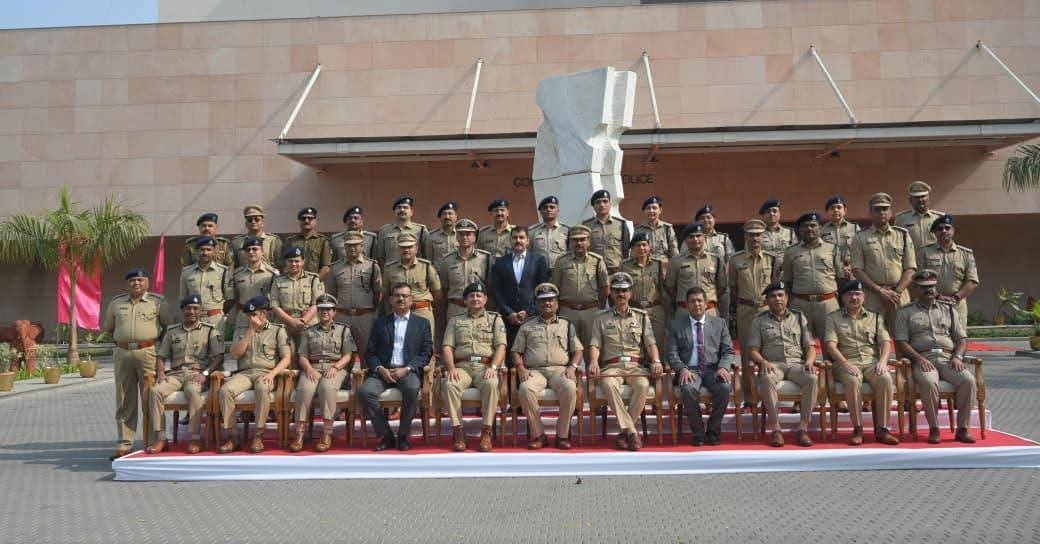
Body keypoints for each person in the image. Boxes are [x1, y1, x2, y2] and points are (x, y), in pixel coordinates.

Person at [895, 269, 976, 444]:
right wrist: (918, 359)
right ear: (916, 289)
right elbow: (901, 342)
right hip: (923, 358)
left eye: (931, 286)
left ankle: (963, 429)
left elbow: (961, 339)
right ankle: (934, 428)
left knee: (968, 380)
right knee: (929, 382)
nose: (929, 290)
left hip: (948, 359)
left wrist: (958, 357)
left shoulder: (949, 309)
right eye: (924, 287)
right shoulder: (905, 312)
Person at [587, 272, 663, 451]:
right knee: (608, 384)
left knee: (643, 385)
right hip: (612, 366)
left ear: (630, 293)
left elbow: (650, 342)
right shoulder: (601, 318)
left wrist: (656, 360)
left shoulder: (641, 316)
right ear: (611, 294)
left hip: (635, 366)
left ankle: (624, 433)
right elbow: (595, 344)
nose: (621, 294)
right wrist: (593, 361)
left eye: (624, 290)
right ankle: (632, 432)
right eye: (617, 291)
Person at [102, 268, 171, 460]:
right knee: (124, 399)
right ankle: (124, 443)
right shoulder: (116, 303)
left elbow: (168, 328)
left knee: (151, 396)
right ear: (127, 284)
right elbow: (109, 328)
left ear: (147, 282)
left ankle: (153, 440)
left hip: (148, 352)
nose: (136, 283)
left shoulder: (158, 302)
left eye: (140, 280)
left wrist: (159, 351)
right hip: (123, 353)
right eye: (132, 280)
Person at [823, 280, 900, 446]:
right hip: (845, 363)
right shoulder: (833, 318)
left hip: (871, 362)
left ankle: (882, 429)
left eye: (857, 294)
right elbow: (830, 345)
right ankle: (858, 428)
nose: (854, 298)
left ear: (864, 297)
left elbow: (885, 342)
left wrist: (883, 361)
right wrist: (845, 363)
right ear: (842, 298)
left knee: (885, 378)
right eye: (849, 294)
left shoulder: (875, 317)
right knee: (852, 380)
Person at [146, 294, 224, 454]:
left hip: (197, 374)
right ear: (182, 310)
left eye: (195, 308)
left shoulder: (209, 330)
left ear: (200, 310)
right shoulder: (172, 331)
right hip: (175, 374)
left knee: (192, 392)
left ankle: (194, 438)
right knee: (155, 391)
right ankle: (161, 438)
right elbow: (161, 356)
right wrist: (160, 373)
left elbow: (219, 356)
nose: (192, 312)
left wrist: (206, 373)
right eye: (188, 308)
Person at [361, 283, 434, 452]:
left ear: (411, 300)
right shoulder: (380, 323)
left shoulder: (422, 323)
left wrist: (407, 369)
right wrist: (380, 369)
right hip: (383, 371)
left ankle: (403, 435)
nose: (401, 299)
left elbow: (426, 353)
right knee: (366, 392)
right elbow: (370, 352)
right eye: (397, 296)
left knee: (412, 388)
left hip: (407, 371)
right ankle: (386, 435)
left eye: (405, 296)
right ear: (390, 299)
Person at [511, 282, 583, 450]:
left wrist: (572, 367)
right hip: (535, 371)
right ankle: (539, 434)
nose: (547, 303)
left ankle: (562, 435)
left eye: (551, 300)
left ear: (557, 303)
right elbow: (515, 351)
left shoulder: (567, 325)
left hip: (560, 370)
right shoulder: (527, 326)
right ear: (537, 304)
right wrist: (521, 368)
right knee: (525, 388)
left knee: (570, 387)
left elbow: (578, 350)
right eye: (543, 300)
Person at [746, 281, 817, 448]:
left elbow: (810, 347)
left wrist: (809, 361)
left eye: (780, 295)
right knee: (766, 378)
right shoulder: (759, 320)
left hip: (796, 364)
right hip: (773, 364)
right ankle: (776, 429)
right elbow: (753, 350)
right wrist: (762, 362)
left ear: (787, 298)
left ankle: (803, 428)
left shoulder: (799, 317)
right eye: (773, 296)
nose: (777, 299)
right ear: (767, 301)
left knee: (812, 378)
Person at [218, 295, 291, 454]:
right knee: (225, 390)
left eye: (254, 314)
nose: (251, 318)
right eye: (249, 315)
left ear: (264, 314)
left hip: (266, 372)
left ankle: (258, 436)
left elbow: (287, 358)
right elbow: (235, 354)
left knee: (262, 388)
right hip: (244, 373)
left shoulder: (277, 330)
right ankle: (232, 436)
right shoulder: (241, 330)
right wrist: (250, 331)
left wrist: (273, 374)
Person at [666, 287, 737, 446]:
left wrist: (723, 367)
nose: (696, 304)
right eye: (692, 301)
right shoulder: (677, 325)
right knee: (688, 389)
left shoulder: (719, 323)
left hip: (713, 369)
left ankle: (713, 430)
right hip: (690, 369)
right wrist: (681, 369)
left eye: (699, 301)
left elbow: (728, 350)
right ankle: (698, 432)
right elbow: (671, 353)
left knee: (725, 387)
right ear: (686, 305)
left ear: (706, 304)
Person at [441, 282, 507, 452]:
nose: (475, 298)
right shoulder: (456, 320)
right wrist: (451, 368)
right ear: (465, 300)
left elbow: (501, 346)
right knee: (449, 384)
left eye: (479, 295)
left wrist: (494, 367)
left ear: (485, 299)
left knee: (492, 383)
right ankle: (458, 432)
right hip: (462, 367)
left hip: (485, 367)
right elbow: (447, 347)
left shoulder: (495, 319)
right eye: (471, 296)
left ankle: (486, 432)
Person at [288, 294, 356, 453]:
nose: (325, 312)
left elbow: (348, 355)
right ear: (317, 312)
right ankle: (299, 433)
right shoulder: (308, 331)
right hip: (313, 367)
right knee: (304, 389)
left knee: (327, 387)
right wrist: (309, 369)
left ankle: (327, 433)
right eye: (321, 309)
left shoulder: (343, 330)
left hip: (335, 368)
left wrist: (336, 368)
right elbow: (302, 355)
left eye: (328, 309)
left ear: (334, 312)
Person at [727, 219, 779, 405]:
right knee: (747, 353)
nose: (755, 238)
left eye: (758, 235)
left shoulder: (772, 259)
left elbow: (775, 286)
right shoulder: (736, 260)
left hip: (766, 309)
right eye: (751, 235)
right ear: (745, 236)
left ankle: (768, 392)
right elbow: (733, 287)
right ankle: (749, 395)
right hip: (746, 310)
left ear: (764, 236)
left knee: (769, 350)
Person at [851, 192, 916, 336]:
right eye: (877, 209)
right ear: (870, 212)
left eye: (885, 208)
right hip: (873, 296)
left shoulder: (903, 235)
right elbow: (857, 270)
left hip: (899, 296)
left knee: (902, 337)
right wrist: (880, 291)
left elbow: (910, 268)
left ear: (891, 211)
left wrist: (896, 292)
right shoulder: (860, 237)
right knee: (872, 337)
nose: (881, 212)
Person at [783, 211, 842, 339]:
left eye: (813, 225)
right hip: (801, 304)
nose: (809, 228)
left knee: (830, 342)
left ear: (820, 228)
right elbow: (787, 280)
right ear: (799, 230)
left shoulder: (832, 249)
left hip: (828, 303)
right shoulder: (790, 252)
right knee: (802, 343)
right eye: (805, 226)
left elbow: (840, 276)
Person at [325, 231, 382, 361]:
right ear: (344, 247)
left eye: (355, 245)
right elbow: (331, 294)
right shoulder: (335, 268)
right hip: (342, 316)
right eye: (349, 245)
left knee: (367, 354)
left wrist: (371, 311)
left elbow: (378, 292)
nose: (352, 248)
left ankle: (366, 374)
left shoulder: (372, 266)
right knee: (340, 352)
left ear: (362, 246)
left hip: (364, 317)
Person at [917, 214, 979, 331]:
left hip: (957, 304)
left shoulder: (965, 254)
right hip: (932, 303)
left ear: (953, 230)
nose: (944, 231)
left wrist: (956, 297)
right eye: (939, 229)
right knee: (935, 337)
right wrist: (937, 296)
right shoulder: (924, 253)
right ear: (934, 233)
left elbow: (972, 281)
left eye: (947, 228)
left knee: (959, 337)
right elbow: (920, 278)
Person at [552, 224, 609, 349]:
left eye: (582, 239)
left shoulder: (597, 260)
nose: (579, 243)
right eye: (575, 240)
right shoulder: (561, 261)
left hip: (591, 311)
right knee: (566, 347)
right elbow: (555, 288)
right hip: (568, 311)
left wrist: (599, 305)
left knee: (592, 347)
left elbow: (605, 287)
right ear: (570, 242)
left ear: (589, 241)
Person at [491, 226, 549, 346]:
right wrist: (509, 313)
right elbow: (496, 291)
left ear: (528, 241)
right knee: (509, 349)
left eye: (521, 237)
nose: (518, 240)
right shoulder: (500, 262)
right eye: (514, 238)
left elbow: (542, 289)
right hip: (508, 319)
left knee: (533, 349)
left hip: (533, 316)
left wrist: (528, 311)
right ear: (510, 241)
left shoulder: (538, 260)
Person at [438, 218, 492, 337]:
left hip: (479, 309)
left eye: (468, 234)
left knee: (479, 340)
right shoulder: (447, 260)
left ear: (474, 237)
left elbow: (490, 286)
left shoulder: (485, 258)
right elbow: (444, 288)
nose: (464, 237)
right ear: (456, 237)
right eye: (461, 234)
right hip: (455, 308)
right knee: (455, 341)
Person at [665, 223, 727, 320]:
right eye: (691, 237)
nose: (695, 239)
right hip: (685, 311)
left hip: (709, 311)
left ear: (704, 237)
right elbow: (670, 287)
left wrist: (707, 301)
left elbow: (722, 287)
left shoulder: (715, 260)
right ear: (685, 240)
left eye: (698, 236)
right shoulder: (676, 261)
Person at [382, 233, 441, 333]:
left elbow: (437, 292)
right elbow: (386, 293)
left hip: (422, 312)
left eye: (410, 247)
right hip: (399, 313)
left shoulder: (426, 266)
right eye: (403, 247)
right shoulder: (389, 268)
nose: (406, 250)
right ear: (398, 249)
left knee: (425, 342)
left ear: (416, 248)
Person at [620, 232, 668, 351]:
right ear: (633, 248)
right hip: (634, 309)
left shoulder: (658, 264)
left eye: (644, 245)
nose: (642, 248)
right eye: (638, 245)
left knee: (658, 344)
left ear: (649, 247)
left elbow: (663, 288)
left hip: (655, 309)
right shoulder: (625, 266)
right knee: (635, 345)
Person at [269, 246, 324, 349]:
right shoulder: (278, 281)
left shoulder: (313, 279)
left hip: (308, 325)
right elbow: (274, 305)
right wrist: (291, 322)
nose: (294, 264)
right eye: (290, 261)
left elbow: (317, 304)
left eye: (297, 261)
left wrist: (303, 321)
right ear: (286, 262)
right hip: (284, 325)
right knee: (287, 354)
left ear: (303, 262)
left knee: (307, 354)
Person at [178, 236, 232, 332]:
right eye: (202, 250)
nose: (205, 253)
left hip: (216, 320)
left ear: (214, 252)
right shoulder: (186, 272)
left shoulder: (223, 271)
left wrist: (223, 314)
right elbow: (183, 299)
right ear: (197, 252)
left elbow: (229, 299)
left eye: (208, 249)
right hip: (194, 320)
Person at [228, 236, 279, 330]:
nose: (251, 252)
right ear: (245, 253)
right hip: (243, 319)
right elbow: (233, 299)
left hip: (264, 317)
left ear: (262, 251)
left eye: (255, 249)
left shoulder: (272, 274)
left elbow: (276, 299)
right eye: (248, 250)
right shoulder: (237, 274)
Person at [583, 189, 631, 273]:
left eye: (605, 201)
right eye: (598, 202)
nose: (602, 205)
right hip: (594, 271)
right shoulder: (586, 226)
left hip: (617, 271)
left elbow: (626, 250)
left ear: (610, 204)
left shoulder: (621, 224)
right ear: (593, 206)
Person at [373, 196, 430, 264]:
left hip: (415, 270)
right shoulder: (384, 231)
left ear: (411, 212)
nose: (402, 210)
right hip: (391, 270)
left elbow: (428, 256)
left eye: (405, 207)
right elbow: (380, 257)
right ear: (395, 211)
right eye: (399, 207)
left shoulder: (421, 230)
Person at [284, 207, 333, 280]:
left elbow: (326, 267)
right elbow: (285, 265)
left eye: (310, 218)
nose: (306, 221)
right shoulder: (290, 241)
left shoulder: (323, 241)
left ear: (315, 221)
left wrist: (313, 282)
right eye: (303, 218)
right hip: (294, 282)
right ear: (299, 221)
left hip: (315, 282)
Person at [895, 180, 946, 250]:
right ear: (910, 200)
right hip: (912, 256)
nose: (920, 200)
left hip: (934, 256)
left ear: (928, 198)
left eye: (923, 196)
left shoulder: (939, 218)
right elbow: (897, 243)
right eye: (916, 197)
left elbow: (946, 241)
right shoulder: (901, 219)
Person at [820, 195, 860, 280]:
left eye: (839, 207)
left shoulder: (854, 228)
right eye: (832, 208)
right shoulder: (822, 231)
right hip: (830, 274)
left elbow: (860, 251)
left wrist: (852, 266)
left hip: (852, 273)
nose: (836, 210)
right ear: (827, 212)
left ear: (845, 210)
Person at [231, 205, 282, 269]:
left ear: (263, 223)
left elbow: (281, 265)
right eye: (250, 220)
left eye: (257, 219)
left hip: (267, 274)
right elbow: (233, 265)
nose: (253, 222)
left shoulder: (273, 241)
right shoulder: (237, 242)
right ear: (246, 224)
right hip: (243, 274)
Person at [528, 195, 570, 269]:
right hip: (540, 271)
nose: (548, 209)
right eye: (545, 207)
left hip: (561, 270)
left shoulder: (566, 230)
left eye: (552, 207)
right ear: (540, 212)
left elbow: (571, 252)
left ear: (558, 210)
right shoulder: (532, 231)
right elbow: (528, 253)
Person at [634, 195, 678, 261]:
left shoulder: (667, 228)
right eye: (648, 208)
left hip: (663, 265)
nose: (651, 211)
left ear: (660, 210)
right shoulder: (638, 230)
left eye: (654, 208)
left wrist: (675, 264)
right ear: (644, 211)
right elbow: (634, 252)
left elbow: (674, 251)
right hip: (646, 264)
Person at [759, 198, 797, 263]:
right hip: (764, 268)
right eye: (768, 212)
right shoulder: (757, 234)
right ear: (763, 216)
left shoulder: (790, 232)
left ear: (779, 214)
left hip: (785, 268)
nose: (772, 214)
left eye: (775, 211)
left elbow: (796, 253)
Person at [426, 201, 460, 266]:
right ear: (440, 217)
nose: (447, 217)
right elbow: (429, 260)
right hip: (438, 272)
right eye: (444, 214)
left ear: (456, 216)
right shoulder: (432, 236)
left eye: (450, 213)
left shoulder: (462, 235)